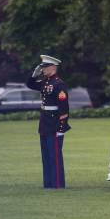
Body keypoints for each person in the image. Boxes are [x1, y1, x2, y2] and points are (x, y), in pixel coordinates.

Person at [26, 55, 70, 189]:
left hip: (55, 124)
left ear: (53, 67)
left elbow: (64, 108)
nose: (42, 69)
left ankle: (58, 184)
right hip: (45, 123)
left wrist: (62, 127)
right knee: (46, 156)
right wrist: (34, 75)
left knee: (55, 156)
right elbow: (30, 84)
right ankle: (48, 184)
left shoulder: (59, 84)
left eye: (45, 67)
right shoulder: (46, 82)